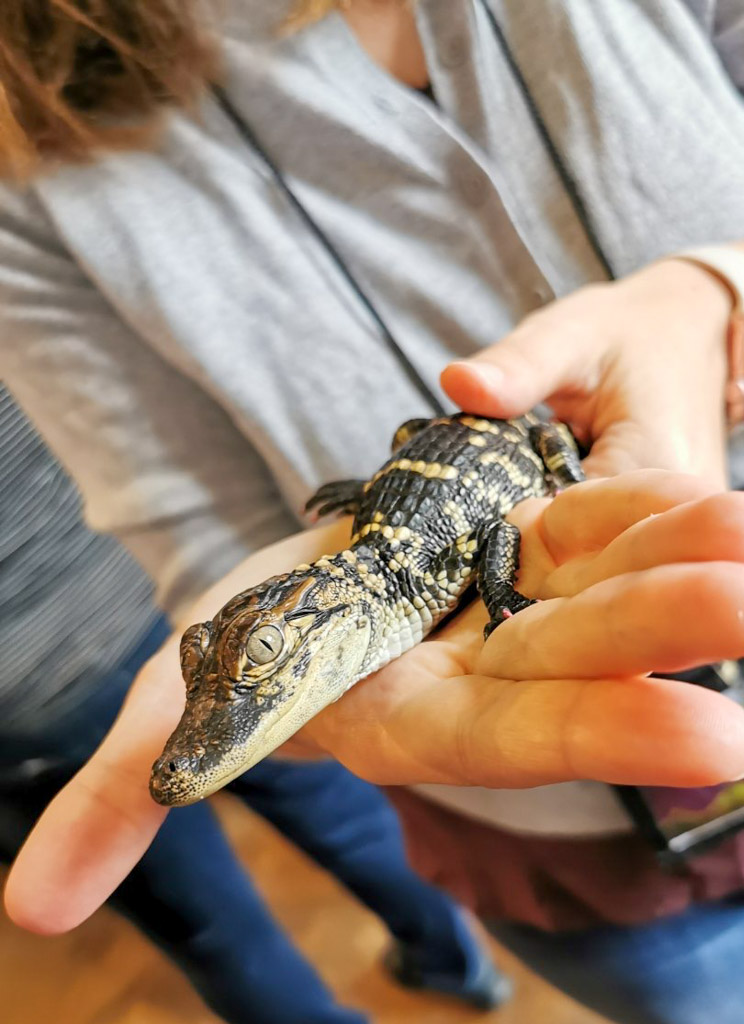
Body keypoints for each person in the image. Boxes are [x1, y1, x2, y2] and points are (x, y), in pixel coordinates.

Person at [0, 1, 744, 1021]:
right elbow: (202, 543)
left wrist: (714, 313)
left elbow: (496, 534)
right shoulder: (29, 140)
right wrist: (293, 711)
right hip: (553, 826)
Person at [0, 383, 513, 1022]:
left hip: (40, 682)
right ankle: (458, 964)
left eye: (266, 650)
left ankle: (454, 961)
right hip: (121, 624)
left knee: (211, 921)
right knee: (333, 821)